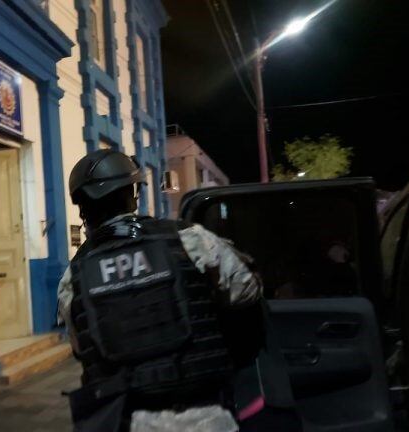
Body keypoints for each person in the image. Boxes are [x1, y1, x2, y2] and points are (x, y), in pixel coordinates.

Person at [58, 149, 300, 431]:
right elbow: (247, 289)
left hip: (127, 420)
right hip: (206, 416)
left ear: (82, 207)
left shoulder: (72, 277)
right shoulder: (188, 239)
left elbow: (81, 347)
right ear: (130, 195)